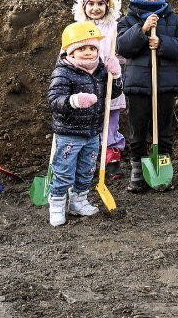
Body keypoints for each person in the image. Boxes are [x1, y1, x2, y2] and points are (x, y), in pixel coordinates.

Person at [116, 0, 178, 192]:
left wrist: (161, 42)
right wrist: (141, 30)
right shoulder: (127, 20)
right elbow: (122, 47)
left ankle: (162, 168)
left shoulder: (175, 19)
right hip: (138, 85)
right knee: (138, 130)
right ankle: (138, 172)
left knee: (164, 130)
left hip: (165, 84)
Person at [47, 21, 116, 226]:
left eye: (92, 48)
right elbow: (54, 100)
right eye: (82, 48)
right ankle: (57, 205)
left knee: (87, 169)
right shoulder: (63, 72)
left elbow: (115, 93)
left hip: (93, 131)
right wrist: (74, 101)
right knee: (64, 170)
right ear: (71, 51)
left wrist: (117, 75)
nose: (88, 53)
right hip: (69, 133)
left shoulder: (101, 71)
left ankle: (78, 201)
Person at [73, 0, 126, 168]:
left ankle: (111, 150)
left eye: (100, 4)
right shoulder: (77, 28)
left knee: (110, 116)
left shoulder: (114, 27)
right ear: (84, 6)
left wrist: (117, 60)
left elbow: (122, 50)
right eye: (91, 4)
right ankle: (90, 153)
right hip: (85, 80)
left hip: (108, 78)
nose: (95, 8)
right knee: (89, 116)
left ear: (108, 6)